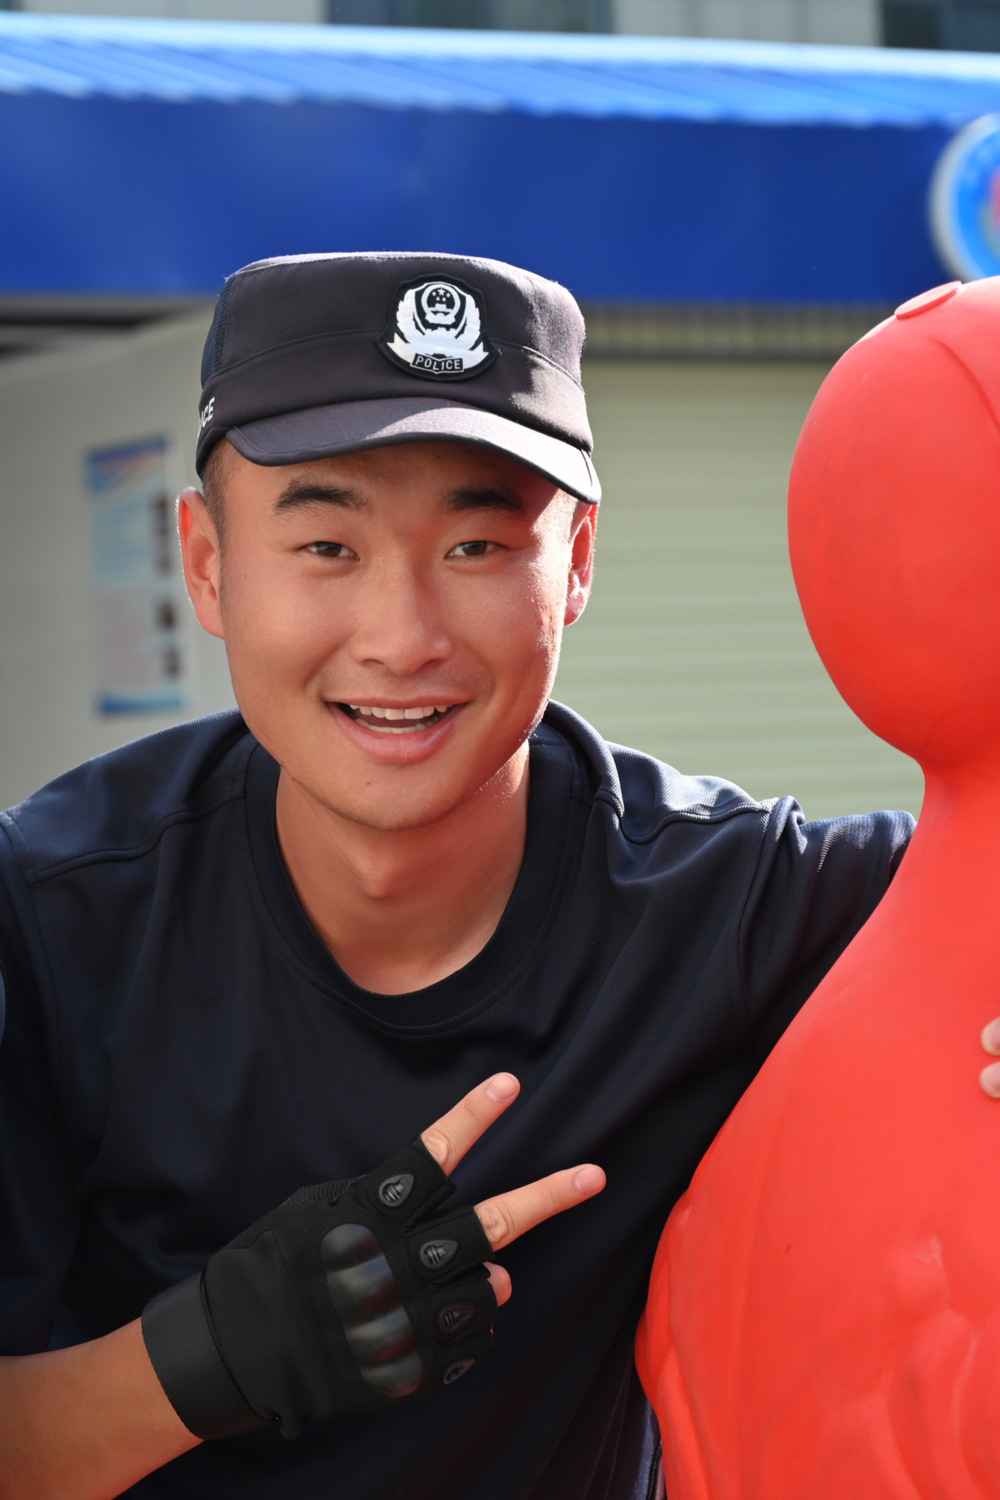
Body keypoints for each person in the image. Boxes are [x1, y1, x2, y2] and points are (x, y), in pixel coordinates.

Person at [0, 251, 995, 1500]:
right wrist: (218, 1353)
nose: (402, 636)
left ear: (574, 564)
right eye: (325, 544)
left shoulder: (736, 907)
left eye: (476, 544)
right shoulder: (51, 920)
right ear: (205, 562)